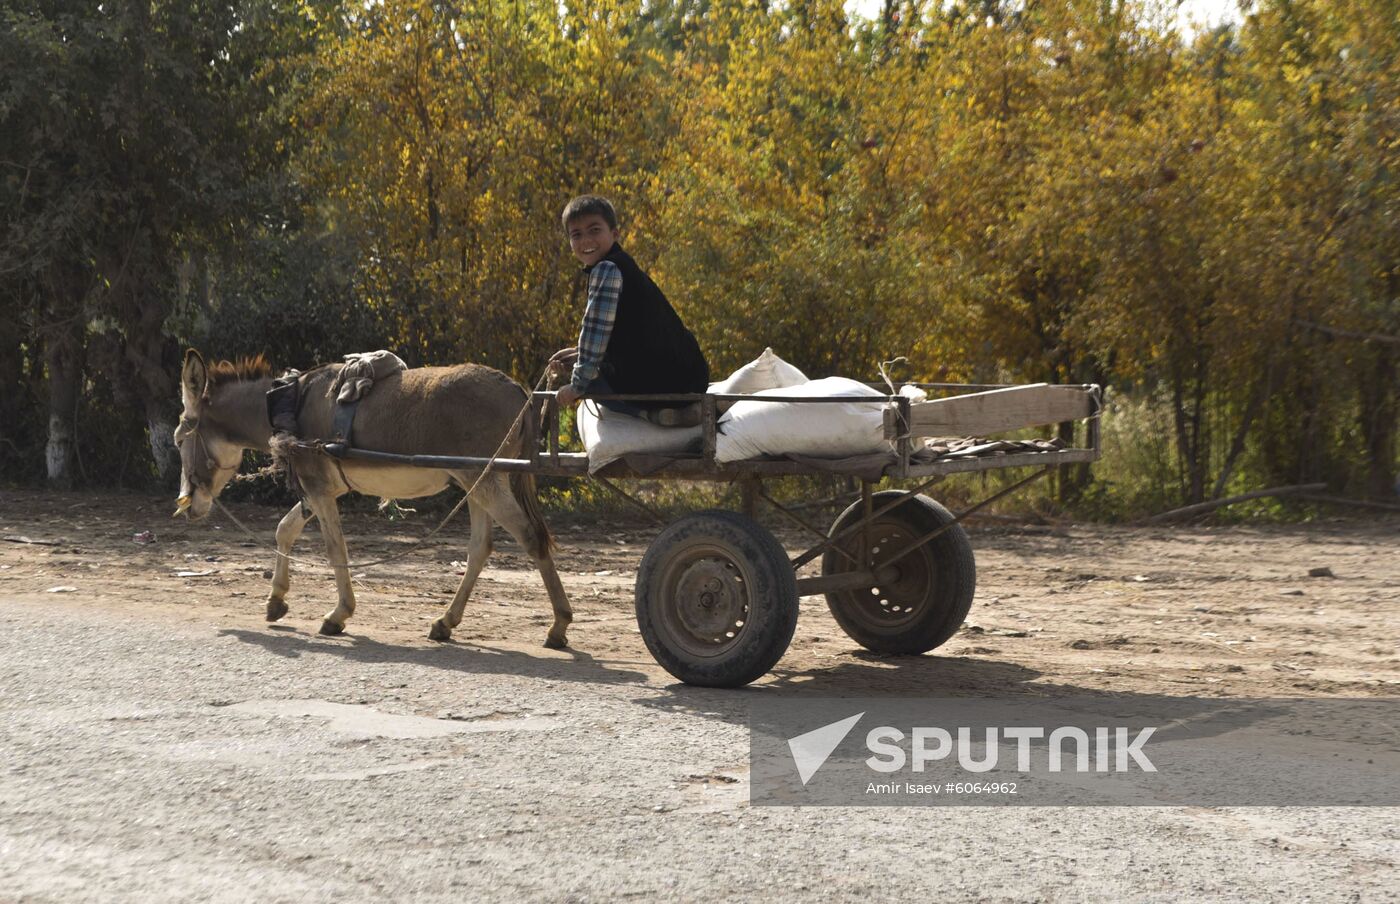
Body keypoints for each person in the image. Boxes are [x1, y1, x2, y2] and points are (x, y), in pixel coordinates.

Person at [549, 195, 709, 427]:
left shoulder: (606, 270)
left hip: (659, 384)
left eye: (594, 230)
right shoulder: (625, 266)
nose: (586, 240)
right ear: (570, 242)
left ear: (614, 234)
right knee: (587, 365)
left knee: (589, 382)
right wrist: (578, 353)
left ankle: (649, 416)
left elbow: (595, 334)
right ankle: (674, 412)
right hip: (691, 377)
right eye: (577, 234)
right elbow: (629, 336)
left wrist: (575, 387)